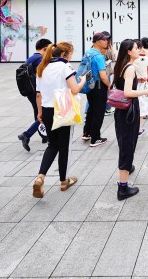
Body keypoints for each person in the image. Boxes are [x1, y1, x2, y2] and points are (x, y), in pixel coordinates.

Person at [32, 41, 86, 198]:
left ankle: (40, 177)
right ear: (64, 54)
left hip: (47, 109)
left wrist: (39, 112)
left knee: (52, 144)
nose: (70, 57)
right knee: (64, 147)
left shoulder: (42, 67)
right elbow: (75, 89)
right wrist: (81, 80)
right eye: (70, 54)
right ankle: (64, 181)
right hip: (63, 108)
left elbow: (38, 94)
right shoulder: (65, 67)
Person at [113, 38, 148, 200]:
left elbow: (122, 85)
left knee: (125, 142)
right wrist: (146, 92)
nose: (139, 50)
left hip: (121, 110)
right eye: (136, 48)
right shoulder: (130, 68)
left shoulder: (120, 66)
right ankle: (122, 188)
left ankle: (127, 168)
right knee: (128, 145)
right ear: (128, 52)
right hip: (129, 111)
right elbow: (127, 93)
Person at [18, 38, 52, 151]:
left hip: (30, 91)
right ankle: (26, 135)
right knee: (44, 114)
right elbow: (44, 76)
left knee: (38, 113)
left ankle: (44, 136)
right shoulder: (40, 59)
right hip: (38, 91)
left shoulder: (31, 58)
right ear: (45, 48)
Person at [81, 32, 111, 147]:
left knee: (91, 109)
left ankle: (86, 132)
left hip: (90, 85)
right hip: (99, 85)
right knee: (99, 112)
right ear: (98, 41)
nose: (106, 42)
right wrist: (108, 85)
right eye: (104, 40)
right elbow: (103, 75)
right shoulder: (98, 56)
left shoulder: (88, 53)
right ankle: (95, 138)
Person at [103, 31, 117, 116]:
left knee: (106, 91)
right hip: (105, 72)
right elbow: (114, 58)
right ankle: (106, 109)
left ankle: (106, 108)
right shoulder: (107, 49)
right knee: (108, 90)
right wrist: (112, 49)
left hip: (104, 72)